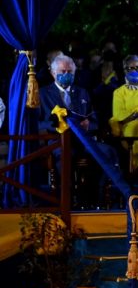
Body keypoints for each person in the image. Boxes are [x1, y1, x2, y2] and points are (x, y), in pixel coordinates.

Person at [38, 54, 120, 205]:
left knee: (107, 151)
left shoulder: (83, 92)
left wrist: (88, 124)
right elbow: (38, 124)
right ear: (53, 73)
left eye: (70, 72)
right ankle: (66, 201)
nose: (66, 75)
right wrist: (60, 125)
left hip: (84, 141)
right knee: (65, 154)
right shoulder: (42, 94)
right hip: (59, 142)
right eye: (62, 72)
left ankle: (96, 198)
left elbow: (95, 118)